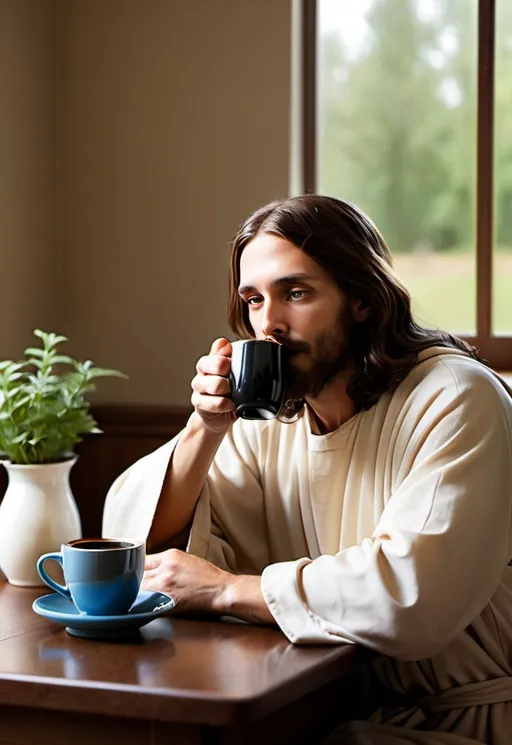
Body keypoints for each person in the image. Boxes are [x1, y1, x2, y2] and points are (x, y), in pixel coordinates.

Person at [103, 195, 512, 744]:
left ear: (362, 300)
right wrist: (205, 428)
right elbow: (140, 547)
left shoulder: (455, 397)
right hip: (351, 708)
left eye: (295, 294)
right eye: (252, 300)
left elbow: (409, 597)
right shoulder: (270, 423)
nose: (267, 323)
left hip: (481, 725)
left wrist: (226, 590)